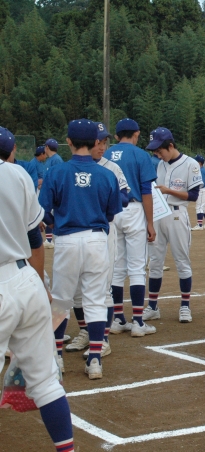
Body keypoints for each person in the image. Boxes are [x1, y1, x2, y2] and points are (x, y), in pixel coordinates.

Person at [0, 126, 76, 451]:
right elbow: (35, 238)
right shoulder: (17, 174)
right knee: (45, 383)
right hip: (24, 278)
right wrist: (39, 284)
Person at [39, 119, 122, 380]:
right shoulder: (107, 174)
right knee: (96, 300)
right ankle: (95, 360)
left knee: (61, 300)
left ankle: (57, 359)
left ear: (69, 142)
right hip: (96, 239)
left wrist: (56, 222)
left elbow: (43, 211)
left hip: (66, 239)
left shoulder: (56, 172)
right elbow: (112, 213)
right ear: (96, 142)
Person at [68, 123, 129, 360]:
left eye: (104, 142)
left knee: (103, 286)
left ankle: (103, 339)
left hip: (104, 231)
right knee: (75, 288)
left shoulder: (111, 167)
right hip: (74, 233)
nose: (101, 146)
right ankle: (85, 331)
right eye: (98, 142)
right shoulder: (71, 168)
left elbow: (125, 197)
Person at [104, 118, 159, 337]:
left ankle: (118, 319)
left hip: (111, 211)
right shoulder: (140, 154)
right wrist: (150, 222)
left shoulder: (106, 153)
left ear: (117, 136)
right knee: (136, 267)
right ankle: (138, 322)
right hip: (134, 209)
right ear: (136, 134)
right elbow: (146, 191)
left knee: (117, 267)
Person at [145, 127, 201, 324]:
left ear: (170, 146)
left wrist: (169, 190)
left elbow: (194, 195)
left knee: (182, 261)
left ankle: (185, 306)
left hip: (177, 214)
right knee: (155, 262)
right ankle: (152, 306)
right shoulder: (160, 165)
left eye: (159, 150)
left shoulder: (190, 164)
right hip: (158, 214)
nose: (157, 154)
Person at [42, 138, 64, 249]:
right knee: (47, 215)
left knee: (51, 215)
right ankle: (49, 239)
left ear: (47, 147)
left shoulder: (56, 160)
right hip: (49, 192)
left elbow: (59, 178)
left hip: (54, 195)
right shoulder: (50, 160)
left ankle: (51, 239)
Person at [191, 154, 205, 231]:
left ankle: (199, 225)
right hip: (203, 190)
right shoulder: (200, 170)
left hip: (202, 190)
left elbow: (201, 183)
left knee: (199, 207)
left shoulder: (201, 171)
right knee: (204, 207)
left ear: (199, 163)